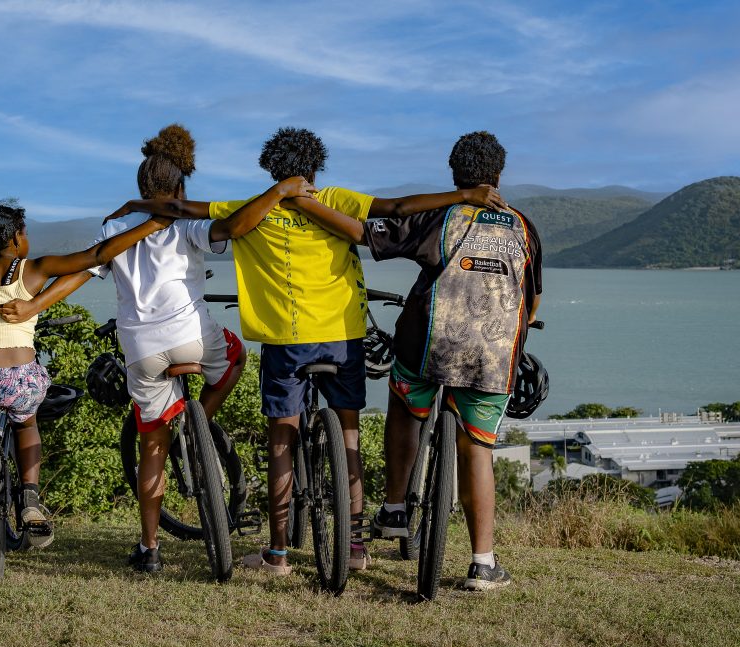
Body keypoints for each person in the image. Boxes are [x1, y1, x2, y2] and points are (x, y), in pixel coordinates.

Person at [104, 127, 506, 574]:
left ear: (271, 169)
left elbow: (179, 209)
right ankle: (354, 548)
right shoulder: (335, 199)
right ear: (316, 168)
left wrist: (138, 205)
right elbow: (397, 208)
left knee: (282, 438)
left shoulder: (254, 208)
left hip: (283, 340)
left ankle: (277, 553)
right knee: (349, 435)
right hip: (342, 334)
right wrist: (465, 195)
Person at [0, 125, 317, 572]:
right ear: (179, 188)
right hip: (192, 337)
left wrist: (32, 306)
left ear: (141, 188)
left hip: (141, 349)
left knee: (152, 449)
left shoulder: (116, 226)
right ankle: (200, 419)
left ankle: (149, 548)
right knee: (235, 357)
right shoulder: (188, 222)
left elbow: (85, 269)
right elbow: (237, 225)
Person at [287, 130, 542, 591]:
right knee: (478, 449)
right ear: (499, 175)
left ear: (454, 174)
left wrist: (305, 205)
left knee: (405, 406)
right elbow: (533, 300)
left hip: (427, 347)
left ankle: (396, 506)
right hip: (493, 357)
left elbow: (364, 233)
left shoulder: (440, 218)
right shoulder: (523, 227)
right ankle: (483, 563)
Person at [0, 202, 170, 537]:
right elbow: (97, 255)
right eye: (25, 233)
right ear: (14, 241)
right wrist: (152, 225)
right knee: (26, 425)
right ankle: (30, 499)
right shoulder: (36, 268)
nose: (27, 239)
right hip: (22, 382)